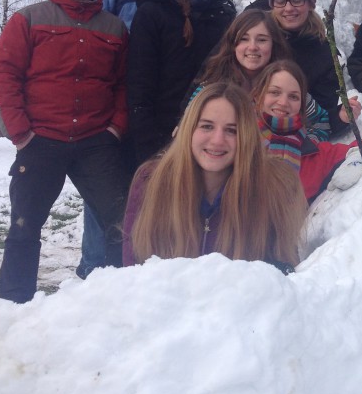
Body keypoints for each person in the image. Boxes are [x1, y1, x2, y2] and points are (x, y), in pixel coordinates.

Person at [0, 0, 130, 301]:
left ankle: (122, 300)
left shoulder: (114, 27)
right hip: (41, 141)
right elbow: (5, 75)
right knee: (24, 227)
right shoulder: (29, 18)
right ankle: (13, 305)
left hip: (95, 142)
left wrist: (115, 126)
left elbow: (123, 83)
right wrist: (20, 132)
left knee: (122, 224)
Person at [79, 0, 174, 277]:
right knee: (105, 184)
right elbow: (94, 34)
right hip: (115, 96)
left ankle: (146, 263)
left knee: (154, 182)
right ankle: (94, 266)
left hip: (159, 99)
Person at [123, 82, 307, 269]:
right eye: (207, 126)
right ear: (189, 130)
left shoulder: (273, 186)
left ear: (247, 136)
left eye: (231, 130)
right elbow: (132, 271)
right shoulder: (151, 181)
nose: (217, 140)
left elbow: (282, 275)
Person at [128, 0, 236, 165]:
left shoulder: (221, 15)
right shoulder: (153, 12)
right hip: (161, 126)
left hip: (208, 124)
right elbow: (139, 78)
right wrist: (147, 136)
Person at [252, 60, 362, 201]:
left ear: (302, 105)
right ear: (258, 96)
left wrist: (355, 162)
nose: (283, 102)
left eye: (293, 96)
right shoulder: (239, 145)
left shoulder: (313, 155)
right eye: (274, 92)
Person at [185, 7, 329, 141]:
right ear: (233, 44)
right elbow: (186, 133)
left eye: (261, 40)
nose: (252, 47)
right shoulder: (209, 89)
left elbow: (320, 121)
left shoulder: (286, 84)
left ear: (273, 44)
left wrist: (302, 148)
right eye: (244, 39)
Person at [267, 0, 360, 134]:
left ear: (310, 3)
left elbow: (321, 118)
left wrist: (340, 117)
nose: (288, 8)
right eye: (280, 0)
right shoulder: (257, 37)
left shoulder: (325, 54)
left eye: (297, 0)